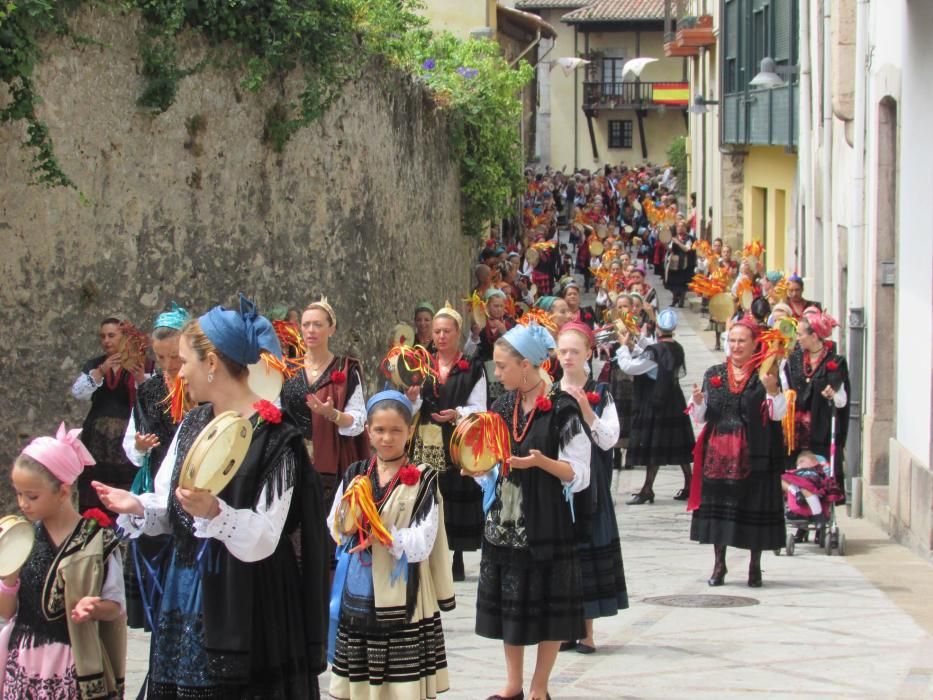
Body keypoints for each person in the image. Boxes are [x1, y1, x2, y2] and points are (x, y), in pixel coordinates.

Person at [96, 293, 330, 698]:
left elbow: (264, 538)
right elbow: (172, 502)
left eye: (185, 361)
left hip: (249, 597)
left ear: (212, 364)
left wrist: (217, 512)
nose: (178, 372)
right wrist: (138, 505)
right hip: (187, 588)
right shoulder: (193, 423)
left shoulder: (276, 440)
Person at [475, 323, 590, 700]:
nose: (497, 373)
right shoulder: (501, 405)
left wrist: (542, 463)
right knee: (511, 600)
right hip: (506, 519)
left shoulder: (562, 407)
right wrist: (479, 469)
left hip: (547, 519)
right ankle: (513, 684)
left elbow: (579, 473)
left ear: (526, 365)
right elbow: (495, 460)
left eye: (502, 365)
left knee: (548, 603)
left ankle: (540, 687)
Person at [327, 391, 455, 700]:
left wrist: (383, 537)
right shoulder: (355, 473)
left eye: (396, 430)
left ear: (410, 431)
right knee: (360, 680)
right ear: (368, 431)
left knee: (401, 686)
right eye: (380, 430)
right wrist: (350, 528)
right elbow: (334, 522)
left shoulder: (423, 478)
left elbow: (423, 541)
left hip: (403, 593)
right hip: (359, 588)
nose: (387, 438)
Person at [2, 424, 125, 699]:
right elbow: (6, 612)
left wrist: (95, 607)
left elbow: (115, 606)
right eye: (18, 494)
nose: (23, 504)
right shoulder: (22, 539)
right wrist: (8, 577)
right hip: (23, 660)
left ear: (63, 492)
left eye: (32, 496)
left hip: (72, 662)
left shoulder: (97, 542)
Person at [687, 318, 787, 587]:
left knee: (753, 504)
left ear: (755, 343)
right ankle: (719, 565)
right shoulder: (714, 373)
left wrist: (772, 391)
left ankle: (755, 566)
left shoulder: (766, 373)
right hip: (719, 451)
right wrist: (697, 403)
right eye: (732, 340)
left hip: (754, 450)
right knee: (720, 509)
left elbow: (778, 413)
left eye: (742, 340)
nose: (736, 345)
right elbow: (703, 415)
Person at [556, 323, 627, 655]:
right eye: (563, 351)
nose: (568, 357)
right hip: (559, 481)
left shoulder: (600, 391)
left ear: (587, 353)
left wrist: (587, 411)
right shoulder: (550, 391)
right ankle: (567, 628)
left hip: (593, 482)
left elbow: (610, 438)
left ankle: (588, 632)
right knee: (564, 555)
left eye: (574, 351)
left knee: (587, 550)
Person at [121, 301, 191, 630]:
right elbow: (133, 437)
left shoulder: (199, 387)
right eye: (160, 358)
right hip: (158, 486)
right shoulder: (149, 390)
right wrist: (139, 447)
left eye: (174, 357)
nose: (168, 365)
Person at [412, 304, 487, 582]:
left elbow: (479, 407)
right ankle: (429, 550)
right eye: (437, 331)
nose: (441, 336)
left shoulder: (472, 367)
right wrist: (413, 397)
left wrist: (458, 414)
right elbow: (412, 404)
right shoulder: (421, 363)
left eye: (447, 331)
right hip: (427, 436)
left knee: (455, 494)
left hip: (456, 436)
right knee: (430, 490)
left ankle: (455, 554)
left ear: (458, 333)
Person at [281, 298, 369, 510]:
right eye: (306, 324)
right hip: (293, 460)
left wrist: (333, 414)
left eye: (318, 324)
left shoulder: (346, 369)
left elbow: (357, 420)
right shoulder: (287, 368)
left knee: (326, 527)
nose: (311, 330)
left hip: (332, 463)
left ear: (332, 329)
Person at [616, 309, 695, 503]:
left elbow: (630, 367)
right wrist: (638, 341)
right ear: (674, 328)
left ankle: (647, 489)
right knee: (677, 442)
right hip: (673, 398)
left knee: (655, 444)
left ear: (657, 326)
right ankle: (690, 484)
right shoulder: (677, 347)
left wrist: (623, 348)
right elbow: (653, 351)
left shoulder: (656, 351)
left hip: (656, 400)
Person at [71, 317, 147, 513]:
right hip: (97, 443)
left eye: (111, 335)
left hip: (126, 442)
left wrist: (140, 378)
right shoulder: (95, 365)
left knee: (126, 491)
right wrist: (100, 371)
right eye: (103, 336)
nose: (106, 340)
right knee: (94, 492)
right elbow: (79, 393)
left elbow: (151, 397)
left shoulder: (143, 364)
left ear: (125, 337)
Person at [781, 308, 850, 497]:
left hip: (821, 428)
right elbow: (785, 385)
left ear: (814, 336)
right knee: (796, 469)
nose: (798, 337)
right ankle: (800, 507)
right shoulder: (793, 359)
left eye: (801, 334)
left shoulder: (835, 362)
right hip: (796, 430)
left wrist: (832, 394)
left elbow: (842, 401)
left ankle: (821, 510)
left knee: (820, 469)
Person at [665, 221, 695, 308]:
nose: (680, 228)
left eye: (682, 226)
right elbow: (670, 249)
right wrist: (665, 244)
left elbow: (687, 249)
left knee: (683, 283)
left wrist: (678, 242)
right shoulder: (674, 237)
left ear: (686, 228)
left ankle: (681, 300)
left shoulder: (689, 238)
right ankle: (674, 300)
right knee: (674, 281)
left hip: (685, 263)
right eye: (678, 227)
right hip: (675, 262)